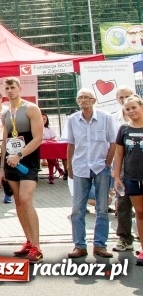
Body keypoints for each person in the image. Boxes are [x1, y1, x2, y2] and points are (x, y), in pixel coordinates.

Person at [65, 88, 116, 259]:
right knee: (77, 209)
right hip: (80, 167)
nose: (84, 100)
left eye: (87, 98)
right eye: (80, 98)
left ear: (94, 100)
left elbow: (113, 142)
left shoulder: (106, 118)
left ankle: (100, 245)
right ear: (77, 101)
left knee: (102, 209)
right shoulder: (72, 119)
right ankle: (80, 245)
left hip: (100, 167)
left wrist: (107, 163)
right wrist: (69, 166)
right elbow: (70, 144)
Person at [0, 77, 44, 262]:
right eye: (7, 88)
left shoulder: (31, 108)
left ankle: (37, 247)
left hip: (27, 162)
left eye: (12, 87)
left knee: (26, 198)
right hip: (10, 162)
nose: (9, 91)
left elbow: (38, 138)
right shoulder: (5, 113)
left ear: (20, 88)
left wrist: (20, 155)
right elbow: (5, 141)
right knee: (17, 201)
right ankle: (29, 241)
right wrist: (1, 167)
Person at [111, 95, 143, 265]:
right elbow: (119, 154)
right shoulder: (124, 129)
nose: (131, 111)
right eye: (127, 109)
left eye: (133, 107)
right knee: (140, 213)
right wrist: (116, 176)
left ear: (141, 106)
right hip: (131, 178)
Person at [113, 86, 137, 252]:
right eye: (121, 97)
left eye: (127, 97)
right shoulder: (116, 121)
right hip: (124, 170)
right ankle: (125, 238)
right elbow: (117, 149)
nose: (124, 100)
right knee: (123, 204)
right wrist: (116, 173)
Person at [42, 113, 66, 184]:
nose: (43, 120)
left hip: (48, 147)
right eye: (41, 118)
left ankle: (51, 176)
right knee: (49, 156)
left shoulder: (49, 129)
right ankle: (58, 169)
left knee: (50, 156)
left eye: (44, 119)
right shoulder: (35, 128)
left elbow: (53, 139)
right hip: (39, 148)